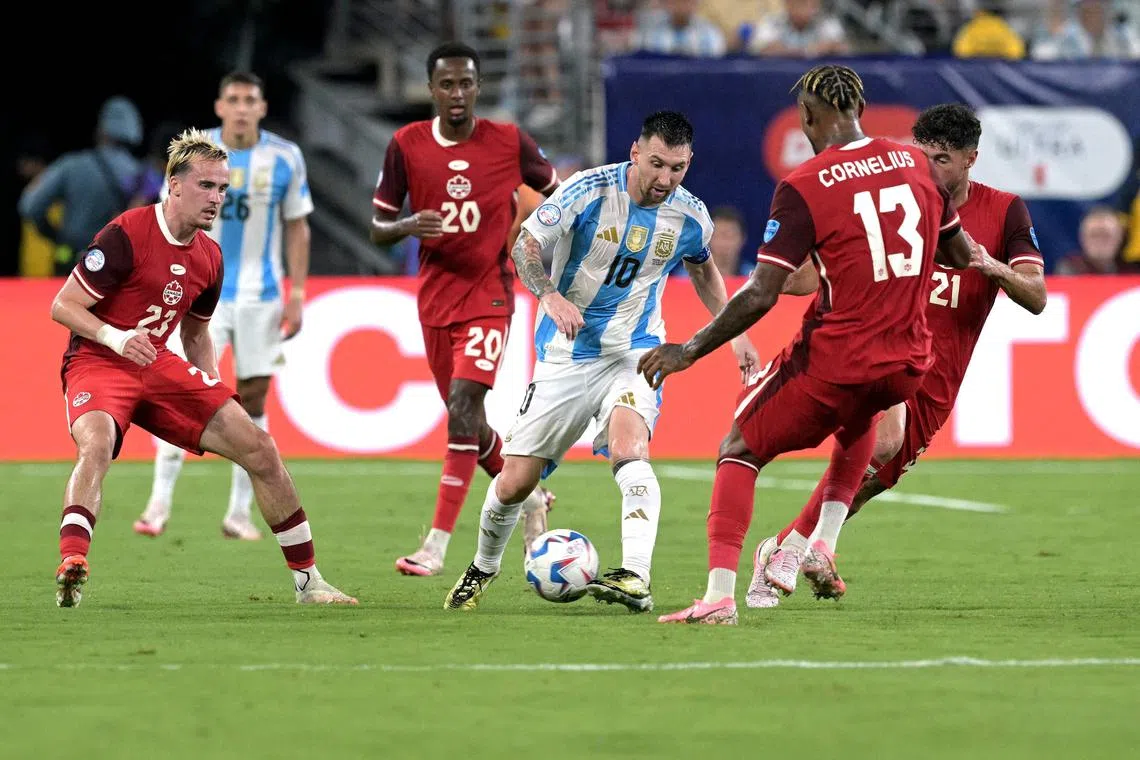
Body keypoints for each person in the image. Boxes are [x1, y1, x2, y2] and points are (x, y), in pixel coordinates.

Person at [640, 65, 975, 625]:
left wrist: (690, 349)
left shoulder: (805, 184)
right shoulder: (917, 163)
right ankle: (817, 542)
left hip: (837, 359)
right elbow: (959, 256)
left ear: (807, 117)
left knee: (738, 449)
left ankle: (720, 595)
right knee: (862, 415)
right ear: (859, 109)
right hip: (909, 363)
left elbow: (761, 293)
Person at [443, 110, 760, 614]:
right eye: (656, 164)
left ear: (689, 163)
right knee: (515, 481)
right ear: (635, 152)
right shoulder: (585, 191)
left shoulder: (691, 215)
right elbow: (526, 246)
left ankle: (636, 576)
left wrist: (735, 332)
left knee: (629, 447)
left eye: (677, 168)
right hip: (565, 354)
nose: (665, 179)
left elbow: (704, 270)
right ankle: (483, 566)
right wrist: (549, 295)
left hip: (636, 350)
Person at [746, 103, 1047, 608]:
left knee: (871, 479)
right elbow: (826, 266)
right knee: (882, 440)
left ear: (971, 159)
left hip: (939, 376)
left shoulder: (1004, 210)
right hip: (880, 344)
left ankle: (785, 548)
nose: (930, 168)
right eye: (923, 155)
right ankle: (797, 549)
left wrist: (989, 265)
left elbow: (1036, 295)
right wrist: (780, 277)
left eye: (944, 159)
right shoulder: (895, 197)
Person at [51, 128, 354, 608]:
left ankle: (309, 582)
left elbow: (195, 334)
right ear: (174, 185)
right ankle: (73, 562)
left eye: (223, 188)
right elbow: (63, 306)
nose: (217, 199)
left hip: (156, 365)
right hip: (98, 360)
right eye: (206, 186)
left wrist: (212, 395)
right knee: (98, 443)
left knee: (260, 447)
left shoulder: (209, 257)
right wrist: (117, 336)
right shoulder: (126, 233)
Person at [370, 42, 562, 577]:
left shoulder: (508, 142)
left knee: (462, 407)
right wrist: (408, 226)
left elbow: (560, 197)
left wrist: (540, 243)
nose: (458, 94)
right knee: (470, 426)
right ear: (432, 89)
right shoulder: (406, 145)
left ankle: (435, 545)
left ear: (478, 87)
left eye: (467, 84)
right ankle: (531, 499)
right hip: (434, 299)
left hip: (490, 295)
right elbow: (377, 228)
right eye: (447, 84)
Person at [133, 72, 314, 541]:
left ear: (261, 106)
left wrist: (296, 292)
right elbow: (166, 221)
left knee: (251, 399)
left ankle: (238, 513)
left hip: (261, 296)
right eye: (232, 99)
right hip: (197, 294)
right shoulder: (197, 157)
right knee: (179, 391)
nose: (240, 107)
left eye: (248, 100)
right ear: (219, 106)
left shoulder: (285, 157)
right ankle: (158, 505)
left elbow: (297, 225)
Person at [18, 96, 147, 275]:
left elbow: (29, 207)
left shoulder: (71, 165)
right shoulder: (143, 175)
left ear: (101, 129)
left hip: (70, 261)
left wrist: (54, 235)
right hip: (114, 269)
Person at [1054, 206, 1131, 275]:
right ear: (1082, 238)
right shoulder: (1070, 268)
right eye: (1094, 235)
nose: (1100, 242)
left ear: (1119, 238)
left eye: (1106, 236)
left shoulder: (1130, 271)